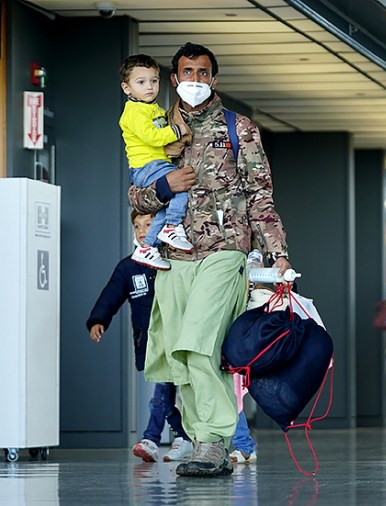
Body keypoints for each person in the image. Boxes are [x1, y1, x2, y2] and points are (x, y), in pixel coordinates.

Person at [128, 42, 291, 478]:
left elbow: (261, 196)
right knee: (180, 356)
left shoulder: (239, 128)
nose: (195, 80)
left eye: (203, 72)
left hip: (225, 249)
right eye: (187, 72)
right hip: (174, 253)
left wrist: (277, 255)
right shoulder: (156, 126)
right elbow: (135, 193)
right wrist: (165, 188)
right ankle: (204, 440)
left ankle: (213, 440)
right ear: (174, 78)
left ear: (213, 80)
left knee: (198, 343)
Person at [86, 211, 192, 463]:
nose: (142, 230)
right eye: (137, 225)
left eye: (149, 224)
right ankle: (183, 436)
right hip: (148, 340)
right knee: (163, 393)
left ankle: (152, 439)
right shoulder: (129, 266)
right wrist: (98, 320)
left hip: (179, 338)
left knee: (166, 391)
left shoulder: (175, 261)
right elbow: (111, 294)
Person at [119, 54, 194, 271]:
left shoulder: (154, 109)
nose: (149, 87)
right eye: (141, 82)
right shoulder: (133, 112)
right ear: (127, 88)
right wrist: (177, 130)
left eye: (153, 81)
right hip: (146, 167)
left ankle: (147, 247)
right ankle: (172, 226)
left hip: (157, 163)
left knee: (169, 201)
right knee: (181, 187)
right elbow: (153, 137)